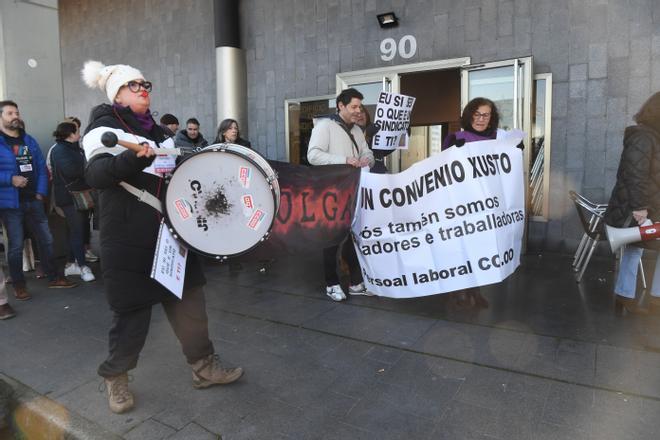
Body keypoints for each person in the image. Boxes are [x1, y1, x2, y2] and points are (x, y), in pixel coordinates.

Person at [81, 60, 243, 414]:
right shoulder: (102, 128)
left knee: (191, 305)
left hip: (170, 233)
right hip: (127, 237)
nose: (144, 89)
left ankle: (203, 367)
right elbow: (96, 174)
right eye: (134, 85)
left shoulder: (158, 133)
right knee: (132, 316)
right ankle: (116, 377)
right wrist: (133, 159)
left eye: (146, 84)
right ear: (117, 93)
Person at [0, 100, 77, 300]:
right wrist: (10, 179)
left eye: (16, 112)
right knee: (16, 245)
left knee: (47, 239)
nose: (15, 116)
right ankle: (19, 285)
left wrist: (40, 193)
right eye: (9, 113)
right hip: (11, 203)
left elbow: (42, 168)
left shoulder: (29, 140)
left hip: (33, 200)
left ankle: (54, 277)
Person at [307, 88, 374, 301]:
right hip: (331, 192)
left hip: (353, 191)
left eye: (360, 107)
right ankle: (331, 283)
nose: (358, 110)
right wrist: (345, 159)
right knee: (331, 240)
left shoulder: (356, 131)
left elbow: (367, 153)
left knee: (353, 237)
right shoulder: (325, 126)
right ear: (341, 106)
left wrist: (367, 160)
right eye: (354, 106)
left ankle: (355, 283)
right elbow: (313, 155)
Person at [604, 92, 660, 315]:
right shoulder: (643, 136)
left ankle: (636, 297)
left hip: (651, 204)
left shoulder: (651, 136)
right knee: (635, 248)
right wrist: (640, 207)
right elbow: (635, 174)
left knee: (636, 248)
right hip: (642, 205)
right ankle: (629, 296)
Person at [50, 121, 96, 282]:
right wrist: (90, 167)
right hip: (70, 197)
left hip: (78, 195)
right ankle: (82, 266)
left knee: (77, 230)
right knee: (77, 231)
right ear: (70, 134)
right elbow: (71, 171)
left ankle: (71, 264)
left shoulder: (74, 149)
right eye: (77, 131)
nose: (79, 134)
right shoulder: (60, 150)